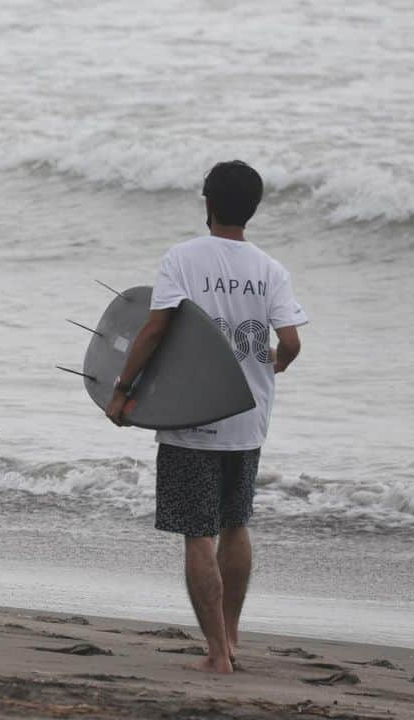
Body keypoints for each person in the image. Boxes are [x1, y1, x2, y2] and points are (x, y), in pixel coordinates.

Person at [105, 160, 306, 673]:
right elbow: (290, 341)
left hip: (192, 418)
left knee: (200, 535)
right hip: (247, 417)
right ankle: (232, 637)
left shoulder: (183, 258)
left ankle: (216, 654)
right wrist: (272, 368)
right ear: (253, 209)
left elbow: (153, 330)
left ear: (207, 203)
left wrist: (122, 390)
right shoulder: (270, 269)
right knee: (236, 525)